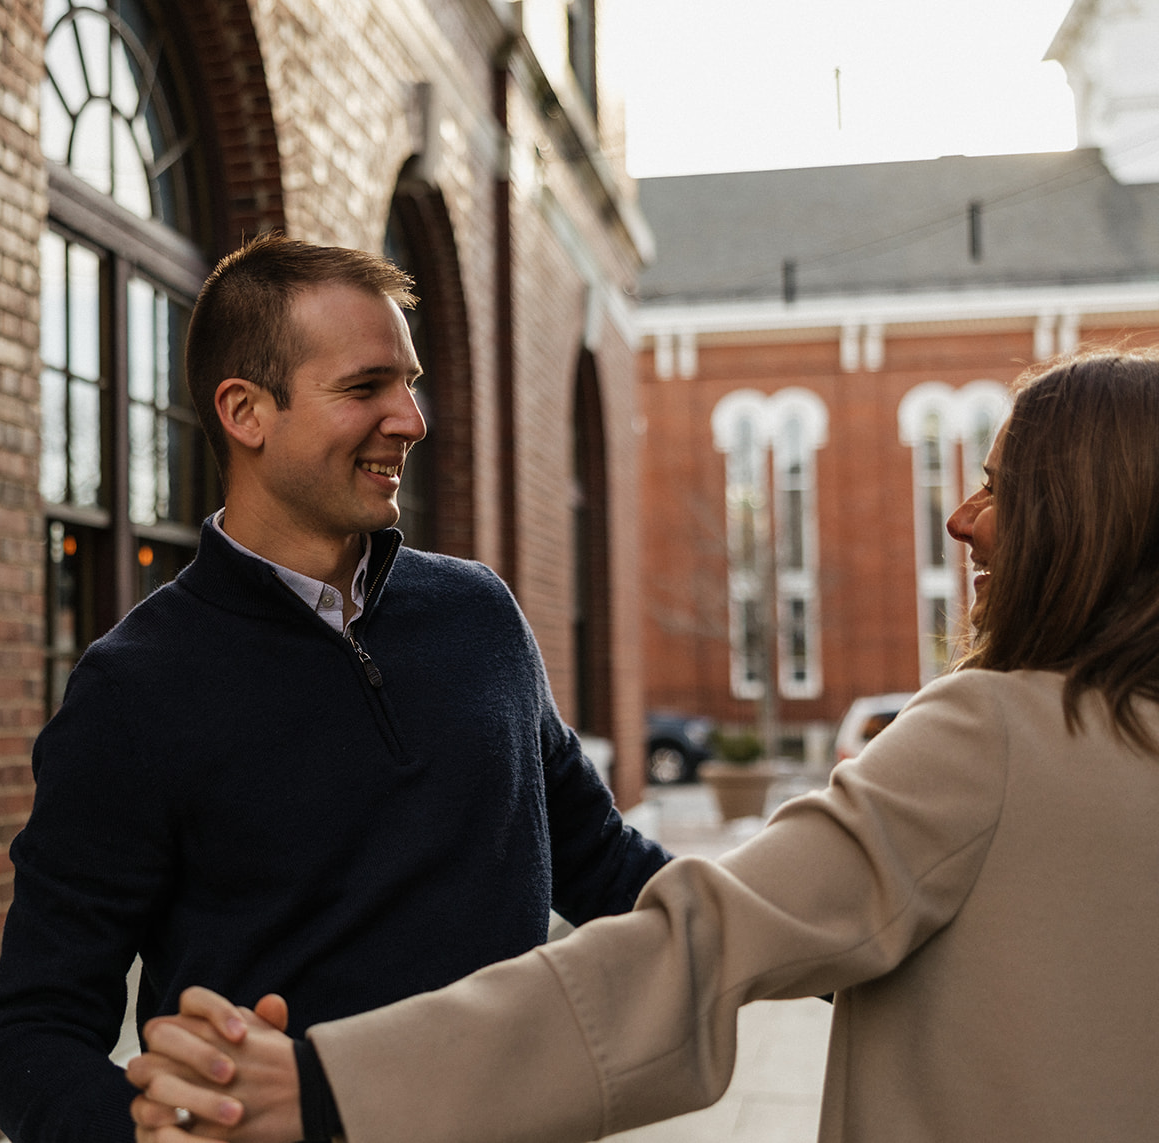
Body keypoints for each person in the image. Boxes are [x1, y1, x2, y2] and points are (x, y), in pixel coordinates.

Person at [128, 350, 1159, 1143]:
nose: (961, 520)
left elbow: (695, 949)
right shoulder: (149, 673)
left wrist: (322, 1087)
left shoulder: (998, 737)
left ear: (1091, 524)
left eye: (1003, 488)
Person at [0, 233, 672, 1142]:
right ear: (246, 410)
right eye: (366, 387)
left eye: (409, 383)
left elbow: (608, 864)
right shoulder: (133, 689)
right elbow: (31, 1028)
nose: (411, 418)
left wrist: (823, 915)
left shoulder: (480, 613)